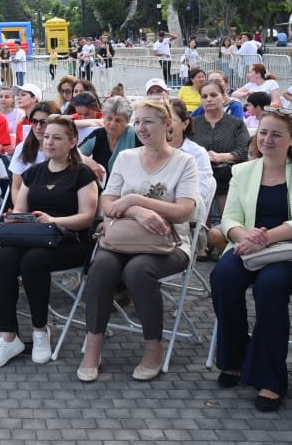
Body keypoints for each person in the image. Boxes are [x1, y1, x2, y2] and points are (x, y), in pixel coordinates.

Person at [210, 111, 292, 411]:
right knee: (223, 277)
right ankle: (235, 360)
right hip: (249, 245)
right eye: (263, 132)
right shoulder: (243, 171)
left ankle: (271, 379)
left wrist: (265, 237)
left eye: (276, 134)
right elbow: (230, 218)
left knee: (269, 287)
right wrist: (244, 237)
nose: (267, 139)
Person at [78, 100, 199, 383]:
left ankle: (153, 347)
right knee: (101, 267)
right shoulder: (127, 157)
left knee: (137, 271)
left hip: (169, 242)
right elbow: (108, 203)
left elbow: (184, 211)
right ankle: (93, 347)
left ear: (167, 125)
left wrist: (135, 200)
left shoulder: (185, 162)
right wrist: (134, 210)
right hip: (122, 237)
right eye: (138, 122)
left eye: (149, 122)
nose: (141, 128)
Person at [0, 116, 99, 369]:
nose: (49, 142)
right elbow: (21, 210)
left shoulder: (82, 173)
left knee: (33, 262)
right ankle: (8, 336)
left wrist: (54, 220)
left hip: (70, 239)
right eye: (46, 137)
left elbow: (87, 217)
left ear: (72, 142)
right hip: (34, 236)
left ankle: (40, 330)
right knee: (3, 259)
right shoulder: (33, 172)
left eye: (57, 138)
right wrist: (13, 218)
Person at [191, 79, 251, 230]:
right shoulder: (193, 123)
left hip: (227, 173)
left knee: (228, 216)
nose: (209, 99)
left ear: (223, 97)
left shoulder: (236, 123)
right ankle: (201, 244)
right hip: (199, 175)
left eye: (213, 95)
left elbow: (244, 150)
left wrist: (221, 156)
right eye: (204, 96)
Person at [79, 95, 137, 180]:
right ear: (103, 117)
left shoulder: (135, 135)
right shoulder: (98, 135)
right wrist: (87, 160)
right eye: (109, 118)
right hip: (101, 187)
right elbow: (74, 154)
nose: (112, 124)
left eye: (118, 120)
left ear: (127, 121)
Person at [8, 102, 55, 202]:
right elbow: (16, 188)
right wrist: (20, 213)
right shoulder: (22, 147)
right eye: (34, 121)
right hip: (27, 207)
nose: (38, 127)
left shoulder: (63, 147)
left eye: (43, 122)